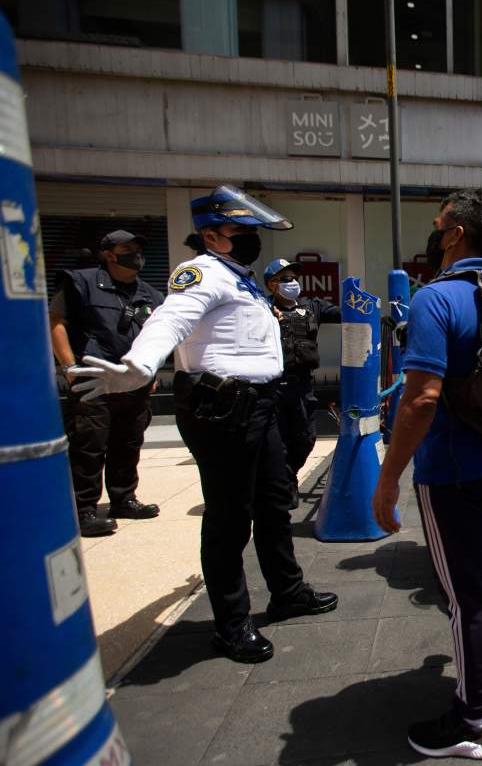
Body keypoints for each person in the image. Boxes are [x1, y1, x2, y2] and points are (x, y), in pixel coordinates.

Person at [70, 186, 338, 663]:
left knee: (275, 504)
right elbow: (170, 320)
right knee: (229, 520)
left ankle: (287, 591)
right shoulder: (202, 274)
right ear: (212, 236)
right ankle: (232, 625)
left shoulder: (242, 277)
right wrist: (139, 365)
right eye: (243, 231)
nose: (253, 239)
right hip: (224, 408)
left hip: (260, 404)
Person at [370, 189, 482, 760]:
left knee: (465, 595)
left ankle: (473, 720)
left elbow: (420, 400)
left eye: (439, 224)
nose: (434, 231)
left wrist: (389, 475)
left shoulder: (435, 299)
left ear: (456, 236)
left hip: (450, 469)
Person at [50, 230, 164, 536]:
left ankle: (124, 498)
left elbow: (156, 338)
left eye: (139, 248)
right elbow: (57, 322)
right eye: (127, 248)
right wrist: (69, 367)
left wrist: (150, 372)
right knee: (89, 443)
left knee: (128, 441)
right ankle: (83, 508)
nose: (136, 254)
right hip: (93, 379)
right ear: (108, 254)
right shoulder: (82, 282)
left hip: (132, 381)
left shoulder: (151, 295)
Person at [263, 258, 340, 508]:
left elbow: (343, 312)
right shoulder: (262, 308)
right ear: (272, 285)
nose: (292, 283)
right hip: (274, 384)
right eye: (285, 279)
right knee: (280, 439)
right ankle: (286, 484)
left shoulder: (311, 307)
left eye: (294, 278)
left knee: (306, 437)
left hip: (302, 384)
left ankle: (286, 475)